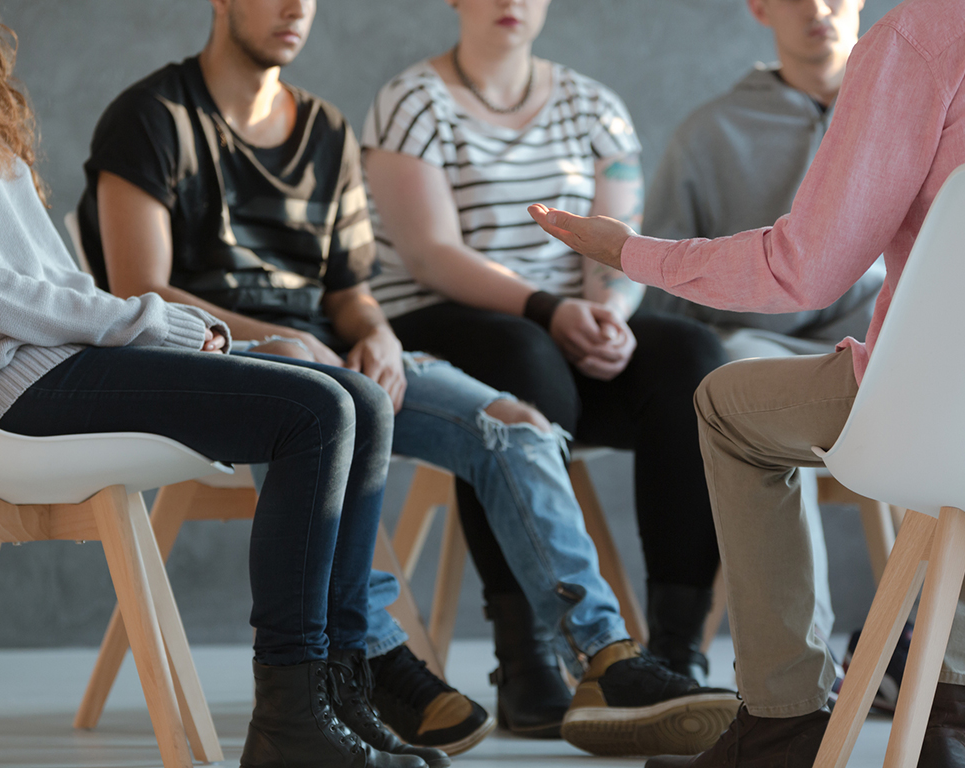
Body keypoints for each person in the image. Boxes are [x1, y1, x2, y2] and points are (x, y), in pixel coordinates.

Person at [76, 0, 736, 758]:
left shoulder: (322, 126)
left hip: (325, 355)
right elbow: (140, 289)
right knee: (312, 396)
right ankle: (375, 656)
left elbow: (351, 289)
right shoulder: (150, 117)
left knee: (511, 424)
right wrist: (282, 337)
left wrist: (378, 335)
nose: (296, 9)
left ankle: (605, 658)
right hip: (209, 357)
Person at [0, 3, 429, 768]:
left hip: (55, 359)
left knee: (360, 400)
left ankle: (338, 692)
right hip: (7, 386)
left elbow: (50, 276)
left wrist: (140, 326)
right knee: (317, 411)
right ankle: (290, 717)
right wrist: (148, 322)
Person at [528, 0, 965, 764]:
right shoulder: (714, 127)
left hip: (931, 397)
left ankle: (785, 719)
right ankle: (950, 696)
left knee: (727, 404)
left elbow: (806, 270)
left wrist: (630, 253)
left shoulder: (920, 39)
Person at [362, 0, 734, 745]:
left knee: (692, 362)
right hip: (439, 331)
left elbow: (619, 246)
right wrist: (546, 311)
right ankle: (526, 659)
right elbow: (432, 254)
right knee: (520, 358)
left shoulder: (593, 106)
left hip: (566, 337)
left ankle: (670, 655)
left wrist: (611, 315)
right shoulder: (411, 103)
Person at [643, 0, 886, 652]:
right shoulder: (709, 132)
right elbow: (662, 281)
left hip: (880, 339)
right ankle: (807, 673)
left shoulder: (905, 111)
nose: (817, 10)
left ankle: (917, 641)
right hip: (753, 339)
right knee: (741, 381)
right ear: (758, 9)